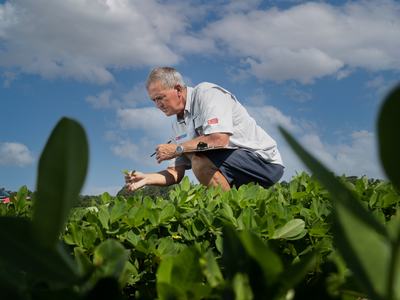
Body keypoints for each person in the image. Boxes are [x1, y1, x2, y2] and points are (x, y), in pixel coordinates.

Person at [125, 67, 284, 192]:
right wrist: (146, 179)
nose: (157, 105)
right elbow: (175, 173)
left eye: (160, 97)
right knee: (195, 156)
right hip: (232, 166)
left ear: (178, 90)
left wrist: (178, 148)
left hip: (264, 163)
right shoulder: (177, 125)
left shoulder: (207, 93)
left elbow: (219, 139)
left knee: (199, 159)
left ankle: (232, 219)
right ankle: (235, 216)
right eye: (154, 100)